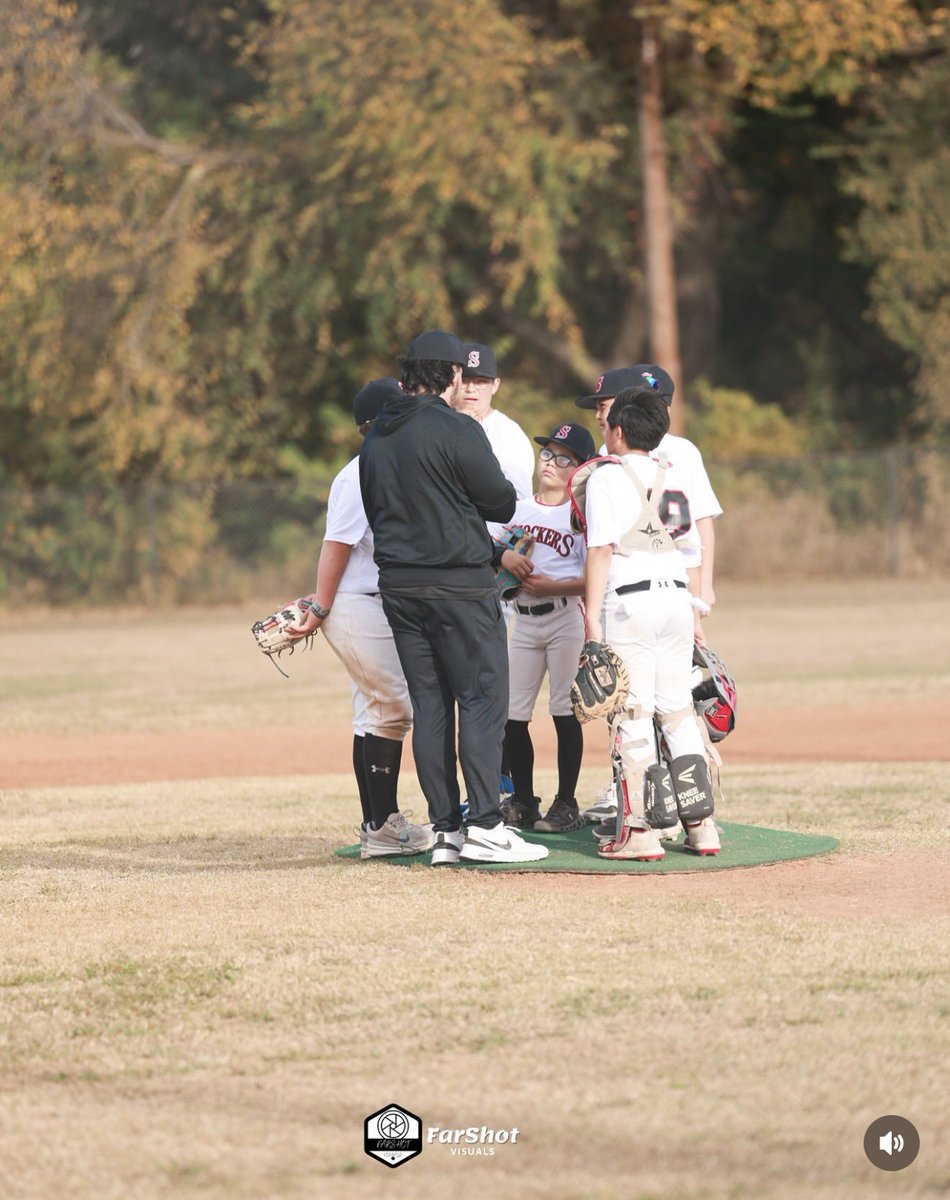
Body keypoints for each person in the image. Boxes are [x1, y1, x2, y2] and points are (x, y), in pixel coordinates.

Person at [358, 329, 548, 866]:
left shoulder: (376, 436)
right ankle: (486, 823)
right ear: (454, 375)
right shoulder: (457, 427)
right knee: (483, 701)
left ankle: (446, 832)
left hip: (399, 586)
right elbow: (502, 502)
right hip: (459, 586)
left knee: (431, 708)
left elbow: (378, 510)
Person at [287, 379, 433, 860]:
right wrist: (321, 606)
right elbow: (337, 545)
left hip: (377, 602)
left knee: (374, 714)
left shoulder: (386, 467)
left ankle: (379, 824)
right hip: (356, 603)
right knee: (394, 710)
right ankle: (383, 826)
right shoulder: (357, 475)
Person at [576, 363, 722, 825]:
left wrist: (593, 620)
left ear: (617, 429)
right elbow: (692, 543)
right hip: (677, 598)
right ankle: (701, 827)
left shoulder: (605, 475)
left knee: (635, 712)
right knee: (677, 711)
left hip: (629, 601)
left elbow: (599, 550)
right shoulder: (672, 472)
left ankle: (638, 827)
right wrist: (697, 606)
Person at [488, 422, 595, 833]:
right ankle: (523, 799)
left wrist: (554, 584)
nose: (550, 463)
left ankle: (566, 802)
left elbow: (596, 576)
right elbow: (492, 548)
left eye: (563, 458)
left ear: (580, 469)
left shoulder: (579, 516)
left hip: (565, 616)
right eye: (547, 454)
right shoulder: (516, 508)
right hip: (524, 620)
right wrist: (503, 559)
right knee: (514, 715)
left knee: (564, 712)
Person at [454, 342, 535, 500]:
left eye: (481, 381)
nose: (471, 388)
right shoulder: (438, 422)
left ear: (495, 385)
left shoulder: (509, 434)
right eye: (464, 380)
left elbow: (518, 501)